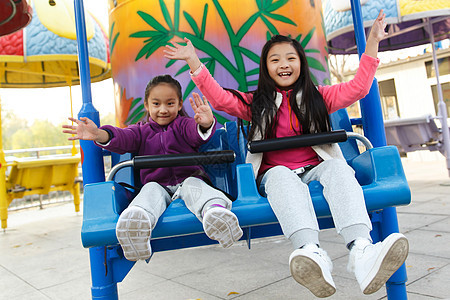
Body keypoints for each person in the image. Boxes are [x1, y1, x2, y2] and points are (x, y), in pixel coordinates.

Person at [163, 9, 408, 298]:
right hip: (276, 174)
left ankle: (362, 252)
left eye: (291, 58)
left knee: (340, 169)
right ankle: (310, 251)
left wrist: (372, 44)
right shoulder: (256, 103)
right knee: (279, 176)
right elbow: (220, 98)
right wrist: (194, 61)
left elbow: (358, 88)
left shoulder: (319, 96)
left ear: (301, 64)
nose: (284, 64)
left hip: (317, 168)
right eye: (275, 59)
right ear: (266, 67)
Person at [62, 75, 243, 261]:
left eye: (170, 103)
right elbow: (122, 138)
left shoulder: (183, 125)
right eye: (156, 104)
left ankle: (214, 212)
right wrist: (99, 134)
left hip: (188, 178)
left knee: (195, 187)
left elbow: (195, 134)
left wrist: (205, 123)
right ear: (147, 106)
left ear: (179, 105)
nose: (163, 110)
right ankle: (137, 221)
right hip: (158, 185)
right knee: (149, 191)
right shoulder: (140, 131)